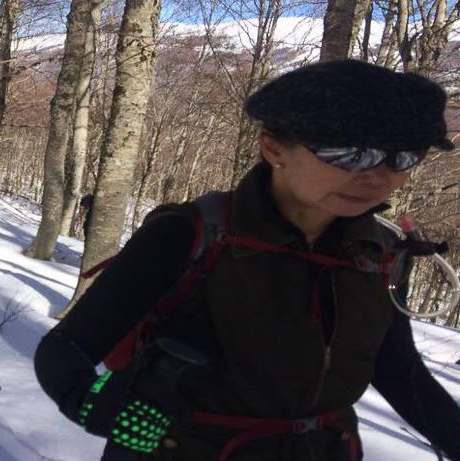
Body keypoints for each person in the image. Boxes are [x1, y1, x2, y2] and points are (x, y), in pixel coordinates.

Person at [34, 60, 460, 460]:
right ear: (274, 148)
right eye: (350, 153)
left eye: (403, 157)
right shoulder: (192, 232)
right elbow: (65, 349)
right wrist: (92, 405)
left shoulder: (377, 252)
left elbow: (399, 372)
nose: (378, 176)